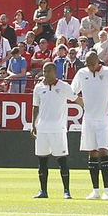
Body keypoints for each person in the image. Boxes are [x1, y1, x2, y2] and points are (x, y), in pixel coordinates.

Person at [68, 49, 108, 199]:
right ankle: (95, 190)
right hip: (88, 119)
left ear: (98, 61)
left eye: (92, 64)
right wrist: (80, 102)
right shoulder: (82, 73)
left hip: (104, 118)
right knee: (92, 152)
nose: (90, 67)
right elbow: (72, 92)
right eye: (88, 64)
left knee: (104, 150)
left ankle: (107, 191)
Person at [32, 62, 72, 198]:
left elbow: (76, 99)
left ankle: (66, 191)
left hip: (58, 129)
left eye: (49, 71)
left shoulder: (63, 86)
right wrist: (33, 125)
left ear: (55, 72)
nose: (46, 74)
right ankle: (43, 191)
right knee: (42, 161)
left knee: (62, 160)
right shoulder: (38, 87)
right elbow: (35, 107)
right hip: (42, 129)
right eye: (44, 71)